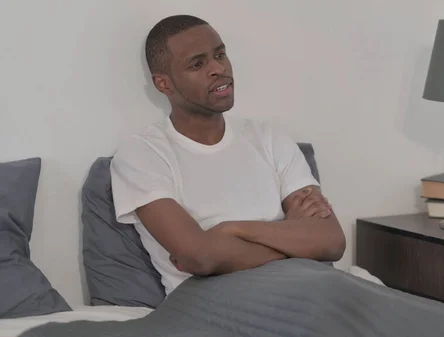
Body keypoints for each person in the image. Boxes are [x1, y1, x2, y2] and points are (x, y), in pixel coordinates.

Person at [110, 14, 346, 296]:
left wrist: (229, 230)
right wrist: (294, 238)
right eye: (197, 64)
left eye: (220, 54)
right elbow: (200, 257)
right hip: (214, 302)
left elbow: (331, 241)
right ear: (164, 84)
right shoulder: (142, 155)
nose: (218, 68)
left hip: (307, 288)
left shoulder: (269, 138)